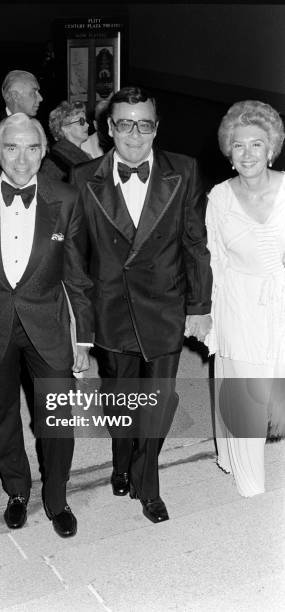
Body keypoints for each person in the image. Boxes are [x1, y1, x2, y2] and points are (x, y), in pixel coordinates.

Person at [71, 86, 212, 523]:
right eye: (125, 123)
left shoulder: (183, 170)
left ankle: (147, 478)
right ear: (109, 128)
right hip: (111, 306)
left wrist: (200, 305)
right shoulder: (83, 177)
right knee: (119, 396)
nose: (135, 133)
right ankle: (120, 458)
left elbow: (195, 243)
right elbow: (75, 258)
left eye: (144, 123)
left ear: (156, 127)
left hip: (165, 305)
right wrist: (82, 326)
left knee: (160, 397)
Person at [0, 113, 93, 537]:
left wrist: (85, 339)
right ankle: (17, 490)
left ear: (45, 150)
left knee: (56, 417)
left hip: (49, 323)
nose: (22, 159)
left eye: (33, 148)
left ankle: (57, 496)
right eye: (11, 147)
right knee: (2, 414)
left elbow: (78, 275)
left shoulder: (67, 198)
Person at [205, 100, 285, 497]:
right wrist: (212, 320)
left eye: (257, 144)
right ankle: (250, 482)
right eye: (239, 146)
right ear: (229, 153)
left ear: (271, 148)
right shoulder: (219, 198)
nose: (248, 153)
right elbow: (214, 259)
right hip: (238, 301)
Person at [40, 101, 91, 181]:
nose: (87, 125)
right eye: (81, 121)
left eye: (85, 121)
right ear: (65, 127)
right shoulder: (55, 161)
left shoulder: (86, 155)